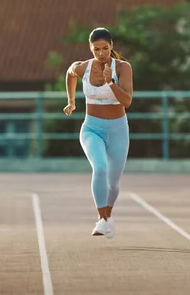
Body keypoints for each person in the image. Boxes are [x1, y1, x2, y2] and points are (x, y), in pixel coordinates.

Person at [63, 27, 133, 239]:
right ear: (90, 48)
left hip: (118, 130)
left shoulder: (122, 67)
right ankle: (102, 220)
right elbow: (69, 72)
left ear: (111, 47)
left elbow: (127, 101)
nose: (101, 53)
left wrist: (111, 82)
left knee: (113, 183)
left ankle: (108, 216)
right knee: (100, 167)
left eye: (105, 48)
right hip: (92, 128)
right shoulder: (84, 67)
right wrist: (71, 101)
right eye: (96, 49)